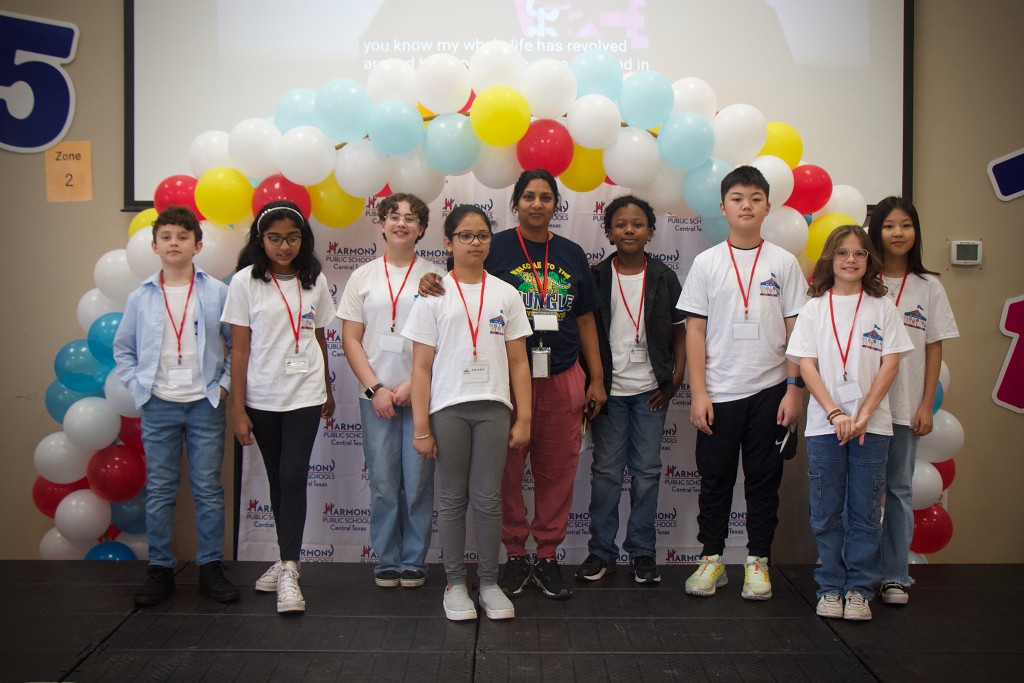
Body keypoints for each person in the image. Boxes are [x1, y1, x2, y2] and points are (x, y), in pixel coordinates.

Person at [419, 169, 606, 600]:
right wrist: (426, 280)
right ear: (516, 203)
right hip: (504, 378)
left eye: (545, 197)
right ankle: (516, 554)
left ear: (556, 204)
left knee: (558, 472)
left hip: (562, 374)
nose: (537, 204)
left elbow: (585, 320)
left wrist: (596, 377)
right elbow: (454, 286)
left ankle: (548, 555)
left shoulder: (572, 253)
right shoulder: (493, 246)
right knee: (503, 473)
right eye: (528, 196)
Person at [676, 165, 806, 600]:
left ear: (768, 206)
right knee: (714, 480)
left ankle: (757, 562)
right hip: (718, 391)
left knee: (763, 482)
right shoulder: (707, 262)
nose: (746, 205)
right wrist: (699, 392)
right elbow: (694, 331)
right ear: (723, 207)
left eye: (755, 198)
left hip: (771, 390)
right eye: (737, 198)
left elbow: (797, 331)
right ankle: (712, 559)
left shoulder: (784, 262)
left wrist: (794, 389)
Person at [403, 205, 533, 621]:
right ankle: (456, 583)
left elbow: (519, 362)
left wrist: (524, 417)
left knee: (489, 499)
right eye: (465, 235)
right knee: (452, 499)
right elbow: (421, 367)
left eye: (482, 235)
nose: (475, 242)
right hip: (448, 409)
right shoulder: (434, 294)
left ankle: (490, 583)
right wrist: (421, 428)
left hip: (494, 407)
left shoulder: (506, 293)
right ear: (448, 242)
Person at [113, 205, 239, 607]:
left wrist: (223, 388)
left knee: (208, 490)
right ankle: (160, 569)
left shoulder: (216, 292)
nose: (174, 243)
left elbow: (238, 345)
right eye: (166, 237)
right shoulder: (141, 296)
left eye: (183, 237)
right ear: (154, 246)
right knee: (160, 490)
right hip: (159, 406)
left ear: (197, 245)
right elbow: (124, 349)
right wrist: (140, 390)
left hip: (205, 404)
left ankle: (211, 567)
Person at [786, 224, 913, 621]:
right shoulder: (814, 307)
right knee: (825, 512)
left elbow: (890, 364)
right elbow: (807, 365)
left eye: (859, 253)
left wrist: (863, 414)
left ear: (869, 260)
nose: (851, 260)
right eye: (843, 252)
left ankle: (859, 589)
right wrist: (836, 413)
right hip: (826, 427)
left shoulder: (883, 307)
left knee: (864, 512)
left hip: (871, 428)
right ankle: (830, 587)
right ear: (830, 258)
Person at [221, 200, 335, 614]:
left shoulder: (314, 280)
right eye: (275, 238)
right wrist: (238, 410)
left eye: (292, 238)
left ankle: (290, 567)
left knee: (292, 475)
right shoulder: (245, 282)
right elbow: (239, 350)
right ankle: (287, 557)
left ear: (303, 240)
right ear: (260, 239)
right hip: (262, 396)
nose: (284, 246)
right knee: (276, 479)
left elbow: (319, 338)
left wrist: (327, 388)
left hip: (305, 393)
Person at [575, 195, 685, 585]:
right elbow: (584, 331)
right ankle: (600, 551)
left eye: (637, 224)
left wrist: (676, 379)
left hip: (651, 391)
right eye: (620, 224)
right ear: (608, 232)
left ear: (650, 232)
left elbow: (680, 330)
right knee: (606, 472)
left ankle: (642, 552)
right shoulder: (596, 276)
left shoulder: (664, 277)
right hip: (609, 392)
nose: (629, 230)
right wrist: (593, 381)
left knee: (647, 472)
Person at [337, 193, 445, 589]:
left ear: (421, 228)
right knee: (383, 484)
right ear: (382, 224)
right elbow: (351, 338)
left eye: (411, 218)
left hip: (421, 395)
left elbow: (445, 337)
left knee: (417, 483)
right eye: (394, 216)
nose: (402, 223)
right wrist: (376, 389)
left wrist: (413, 385)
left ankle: (413, 560)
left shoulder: (436, 276)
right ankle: (388, 558)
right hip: (376, 398)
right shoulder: (362, 277)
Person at [868, 197, 959, 606]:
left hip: (906, 408)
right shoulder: (862, 280)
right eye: (889, 225)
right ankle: (862, 573)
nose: (898, 233)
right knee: (863, 493)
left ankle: (894, 575)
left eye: (906, 225)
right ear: (877, 232)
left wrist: (926, 405)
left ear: (915, 231)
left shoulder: (929, 286)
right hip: (866, 410)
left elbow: (934, 348)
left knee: (899, 491)